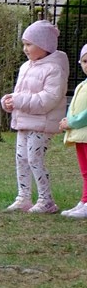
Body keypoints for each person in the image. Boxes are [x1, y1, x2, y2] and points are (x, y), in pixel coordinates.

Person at [0, 20, 70, 214]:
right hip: (24, 122)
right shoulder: (26, 67)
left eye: (29, 44)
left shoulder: (54, 69)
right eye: (24, 44)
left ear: (44, 45)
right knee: (21, 158)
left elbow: (48, 99)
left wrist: (18, 101)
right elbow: (19, 94)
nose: (25, 48)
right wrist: (8, 101)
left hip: (42, 124)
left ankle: (46, 200)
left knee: (34, 159)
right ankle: (23, 197)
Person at [59, 44, 87, 218]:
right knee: (85, 171)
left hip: (83, 132)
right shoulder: (82, 85)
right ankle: (84, 201)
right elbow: (74, 106)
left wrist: (72, 122)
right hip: (81, 135)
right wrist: (66, 120)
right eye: (85, 61)